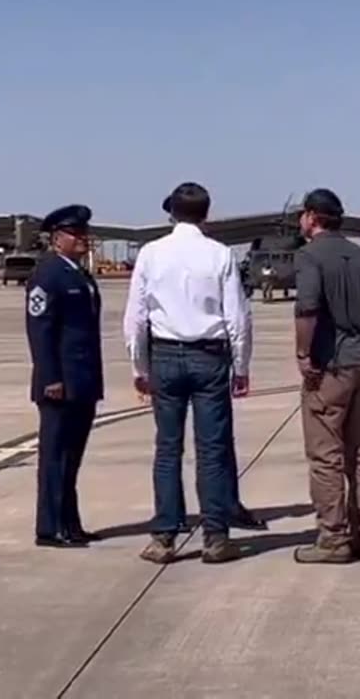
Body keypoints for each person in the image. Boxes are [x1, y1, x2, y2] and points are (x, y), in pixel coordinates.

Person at [123, 182, 250, 564]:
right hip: (209, 356)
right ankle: (215, 536)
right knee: (211, 450)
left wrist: (139, 366)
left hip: (165, 354)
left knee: (167, 448)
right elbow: (237, 316)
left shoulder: (151, 253)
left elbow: (136, 317)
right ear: (206, 214)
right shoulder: (220, 254)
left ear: (172, 213)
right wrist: (241, 366)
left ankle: (164, 536)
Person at [293, 188, 360, 564]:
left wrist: (304, 354)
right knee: (359, 451)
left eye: (303, 215)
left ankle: (334, 538)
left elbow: (307, 308)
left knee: (325, 456)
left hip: (330, 366)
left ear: (312, 217)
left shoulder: (309, 256)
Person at [26, 204, 106, 548]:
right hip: (59, 383)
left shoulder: (78, 274)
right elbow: (40, 331)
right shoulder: (48, 275)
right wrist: (50, 378)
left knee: (71, 459)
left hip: (83, 380)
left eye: (85, 233)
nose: (84, 239)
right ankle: (50, 527)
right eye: (76, 234)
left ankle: (70, 523)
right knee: (55, 459)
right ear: (57, 239)